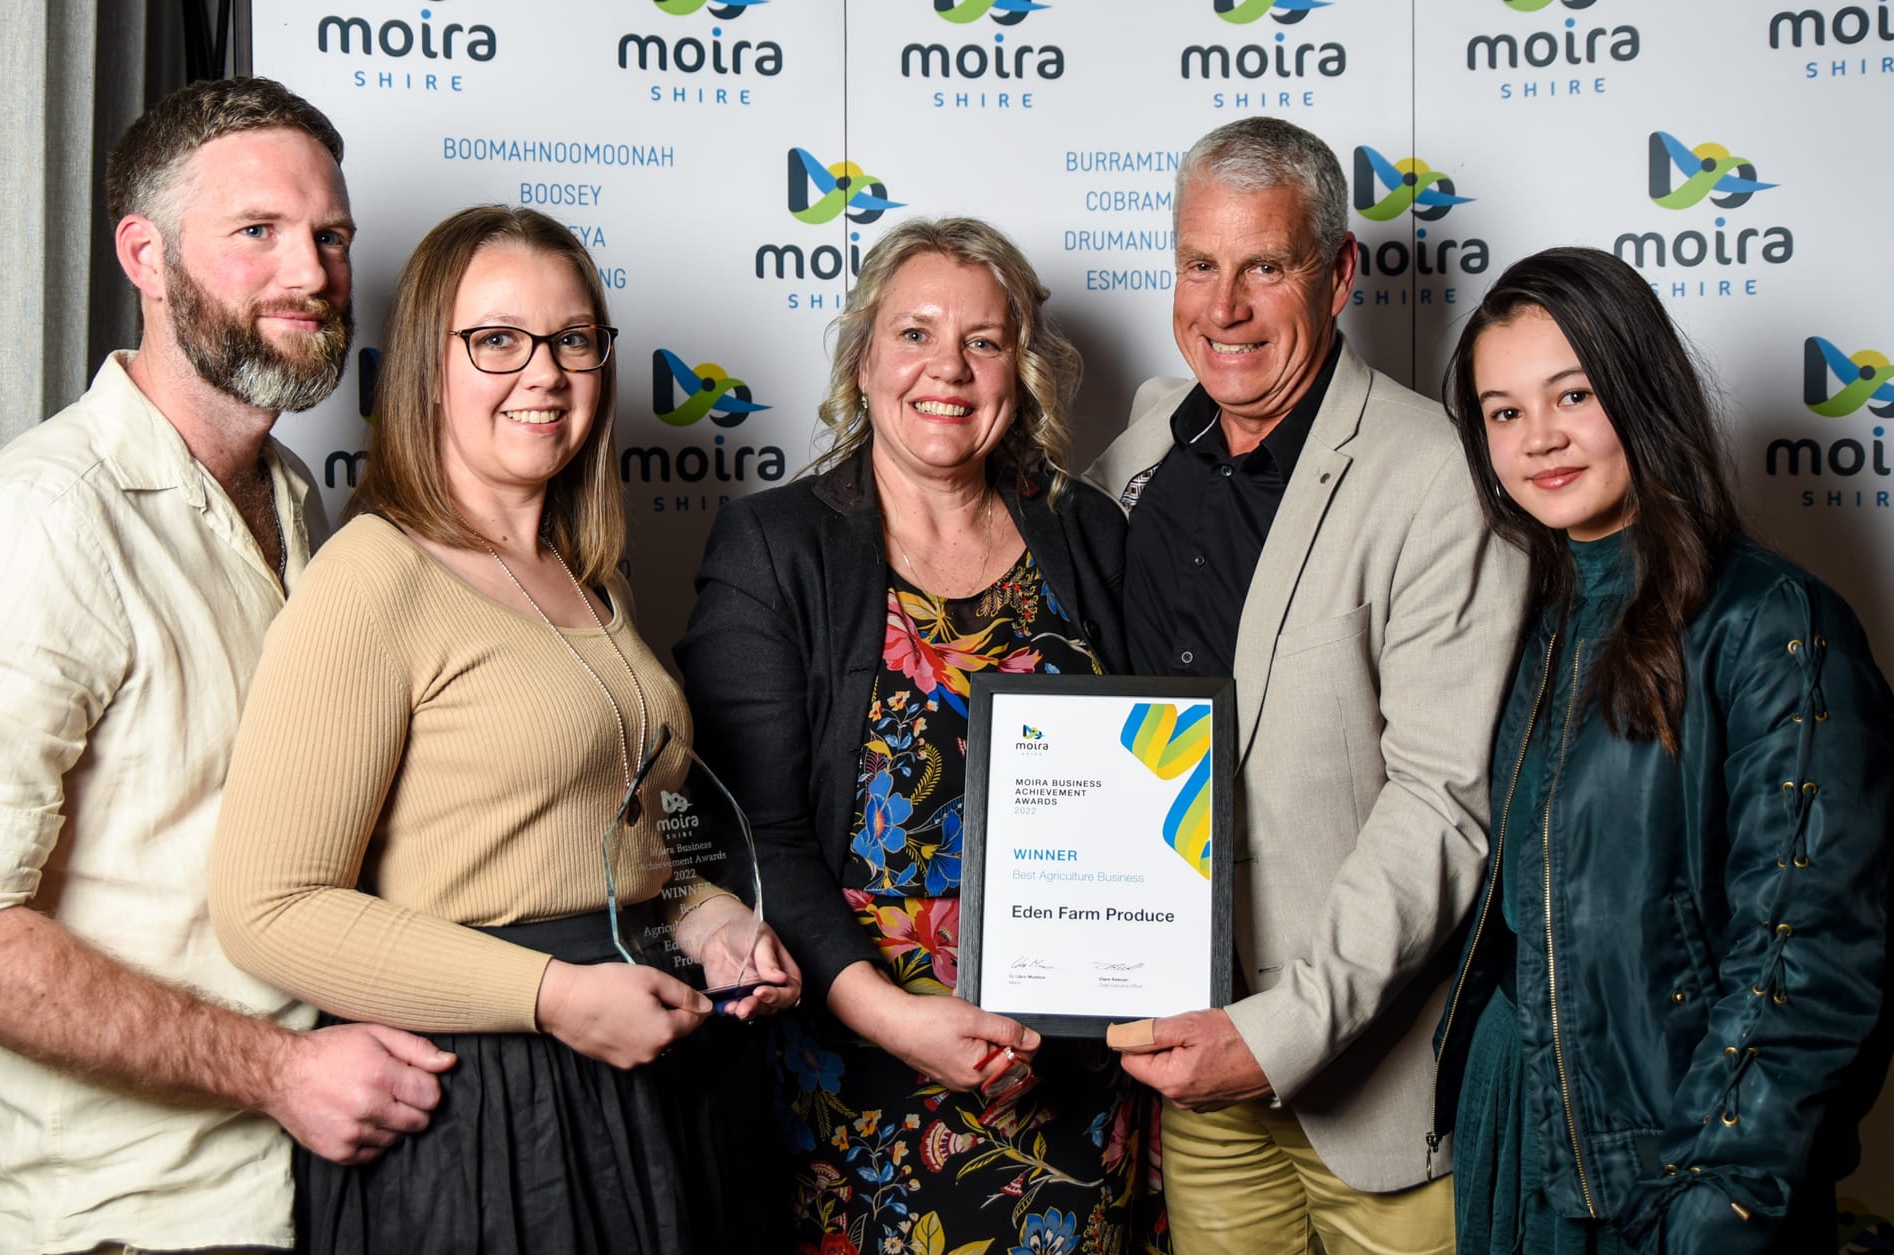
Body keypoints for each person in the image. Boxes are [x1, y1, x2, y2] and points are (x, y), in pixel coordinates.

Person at [0, 77, 457, 1254]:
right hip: (119, 1222)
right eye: (257, 231)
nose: (311, 272)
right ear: (144, 257)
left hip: (323, 1192)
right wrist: (276, 1069)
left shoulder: (295, 497)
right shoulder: (43, 521)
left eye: (331, 236)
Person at [207, 204, 800, 1254]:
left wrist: (712, 922)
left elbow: (602, 842)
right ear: (426, 370)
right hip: (481, 1105)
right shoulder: (375, 575)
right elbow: (269, 908)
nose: (545, 373)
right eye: (496, 340)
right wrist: (551, 995)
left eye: (572, 339)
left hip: (639, 1071)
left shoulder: (588, 578)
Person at [1081, 116, 1527, 1255]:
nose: (1223, 307)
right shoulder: (1142, 450)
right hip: (1192, 1070)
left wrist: (1277, 1033)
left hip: (1375, 1093)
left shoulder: (1434, 476)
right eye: (1198, 263)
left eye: (1264, 267)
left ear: (1336, 275)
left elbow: (1443, 804)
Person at [677, 217, 1163, 1254]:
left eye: (984, 341)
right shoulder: (774, 546)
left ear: (1020, 373)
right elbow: (753, 829)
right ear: (863, 362)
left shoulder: (1088, 532)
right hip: (862, 1074)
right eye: (915, 334)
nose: (949, 367)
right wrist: (885, 1014)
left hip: (1074, 1079)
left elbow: (1157, 776)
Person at [1429, 245, 1894, 1255]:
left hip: (1674, 1171)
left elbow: (1807, 958)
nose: (1538, 438)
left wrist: (1712, 1209)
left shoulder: (1772, 622)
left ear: (1641, 391)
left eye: (1573, 395)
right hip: (1523, 1137)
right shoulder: (1532, 616)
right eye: (1502, 412)